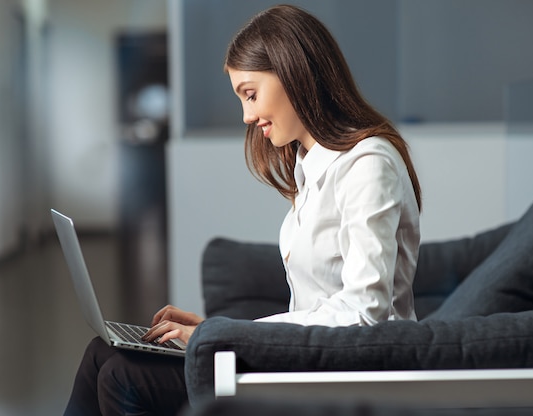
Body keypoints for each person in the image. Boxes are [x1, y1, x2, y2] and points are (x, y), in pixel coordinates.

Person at [64, 4, 421, 415]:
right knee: (101, 355)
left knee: (123, 374)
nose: (248, 116)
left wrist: (231, 334)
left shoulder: (369, 163)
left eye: (251, 94)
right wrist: (219, 332)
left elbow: (364, 314)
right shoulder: (310, 166)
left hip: (344, 371)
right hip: (308, 358)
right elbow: (313, 312)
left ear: (295, 72)